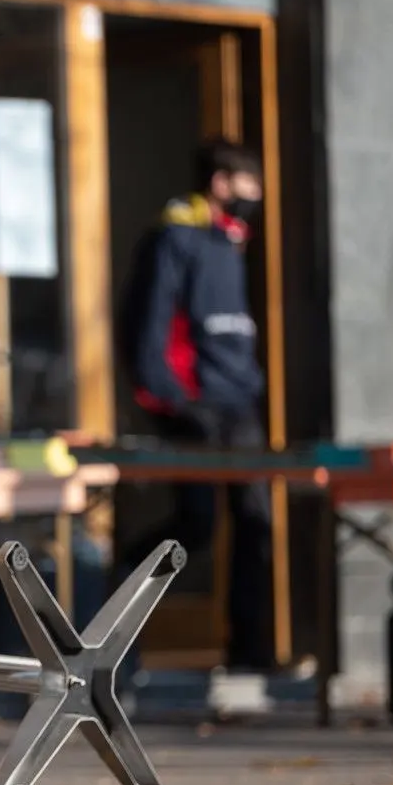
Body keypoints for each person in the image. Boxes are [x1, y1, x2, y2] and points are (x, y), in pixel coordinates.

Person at [115, 139, 275, 674]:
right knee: (198, 524)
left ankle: (252, 654)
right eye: (250, 185)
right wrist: (174, 401)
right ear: (222, 183)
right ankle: (115, 612)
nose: (257, 196)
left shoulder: (232, 240)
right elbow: (149, 329)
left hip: (240, 404)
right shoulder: (174, 239)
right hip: (197, 406)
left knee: (256, 522)